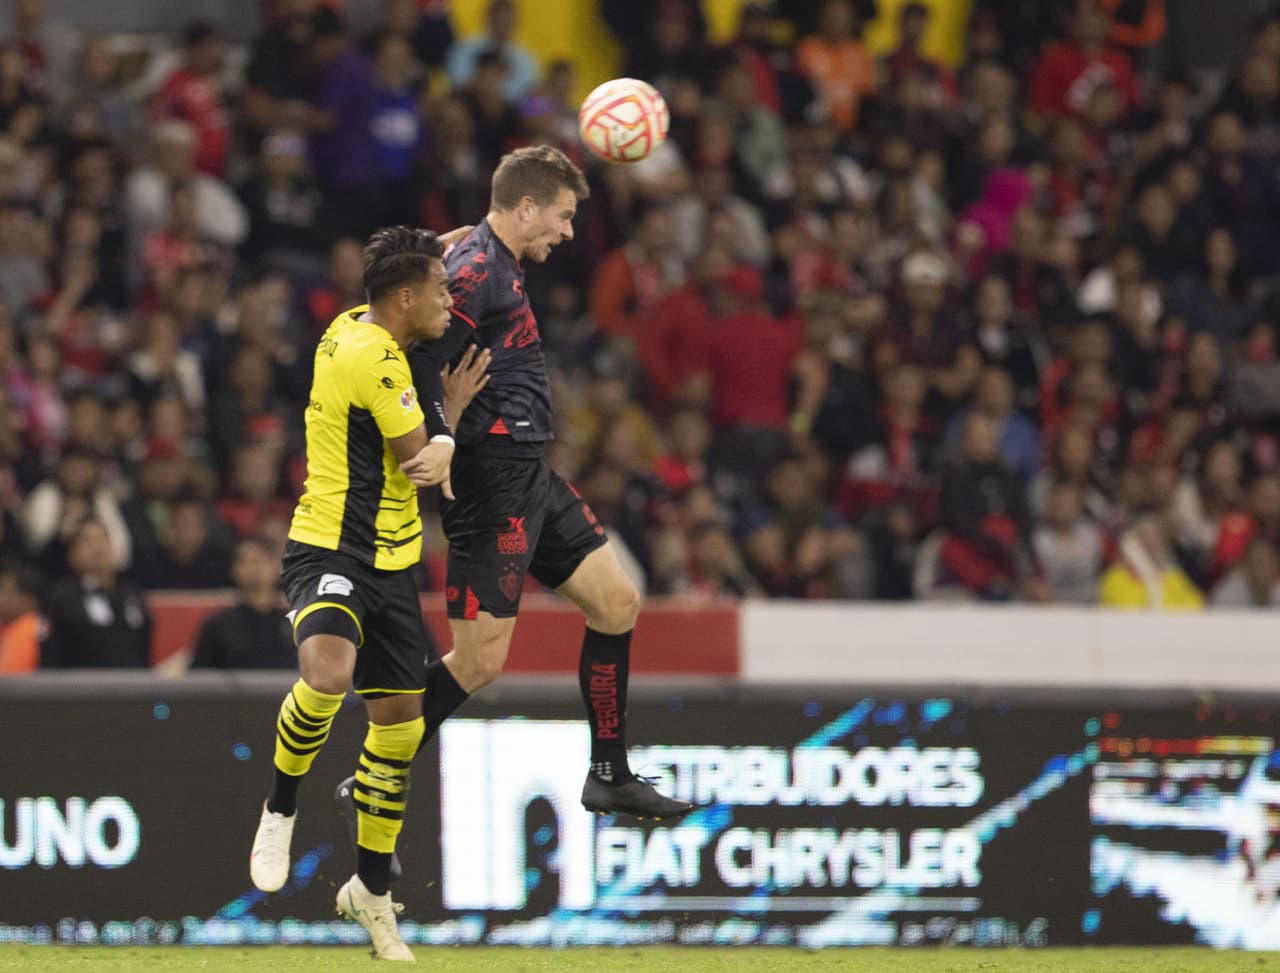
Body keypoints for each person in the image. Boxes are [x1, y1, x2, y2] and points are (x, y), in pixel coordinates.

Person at [336, 146, 693, 869]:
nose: (566, 233)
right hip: (491, 482)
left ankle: (610, 773)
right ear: (525, 207)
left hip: (530, 471)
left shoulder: (479, 255)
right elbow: (415, 358)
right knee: (480, 660)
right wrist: (442, 422)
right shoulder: (475, 272)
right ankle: (375, 773)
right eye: (561, 217)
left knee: (617, 603)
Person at [247, 225, 459, 962]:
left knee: (398, 732)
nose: (450, 297)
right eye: (441, 288)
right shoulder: (374, 358)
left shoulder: (351, 324)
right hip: (330, 547)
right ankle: (280, 804)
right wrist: (453, 416)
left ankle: (370, 892)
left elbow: (409, 269)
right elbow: (424, 465)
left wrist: (466, 239)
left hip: (394, 565)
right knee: (328, 676)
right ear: (405, 298)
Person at [38, 520, 151, 668]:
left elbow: (145, 648)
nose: (98, 548)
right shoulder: (60, 599)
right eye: (87, 541)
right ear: (71, 555)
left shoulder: (133, 594)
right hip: (81, 687)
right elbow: (51, 656)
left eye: (103, 539)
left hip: (132, 685)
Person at [190, 538, 295, 668]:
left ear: (277, 567)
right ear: (234, 570)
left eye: (259, 560)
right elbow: (198, 679)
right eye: (244, 562)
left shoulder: (294, 625)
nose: (252, 568)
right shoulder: (217, 625)